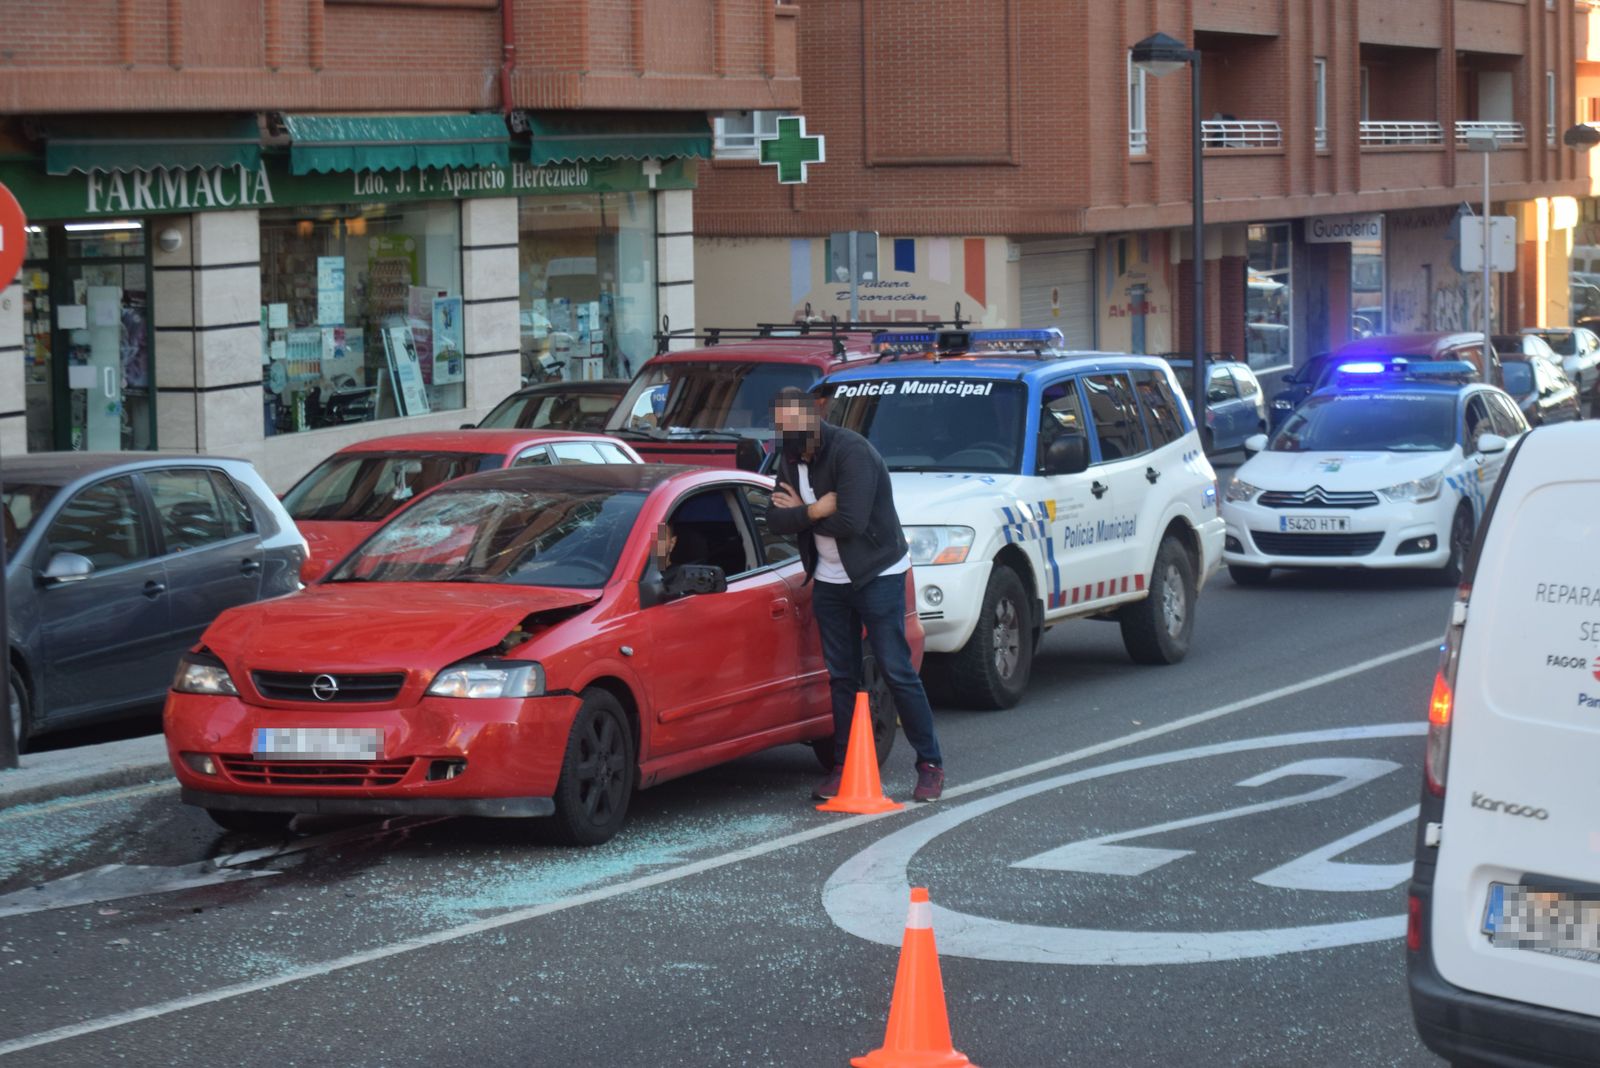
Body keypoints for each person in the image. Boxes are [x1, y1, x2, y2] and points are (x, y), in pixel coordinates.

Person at [766, 387, 945, 803]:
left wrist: (805, 516)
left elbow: (851, 521)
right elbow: (775, 519)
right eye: (782, 424)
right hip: (829, 579)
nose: (788, 434)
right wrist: (814, 510)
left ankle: (930, 764)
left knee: (895, 669)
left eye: (795, 422)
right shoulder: (790, 458)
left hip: (876, 573)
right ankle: (845, 765)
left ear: (813, 417)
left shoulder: (852, 452)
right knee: (841, 675)